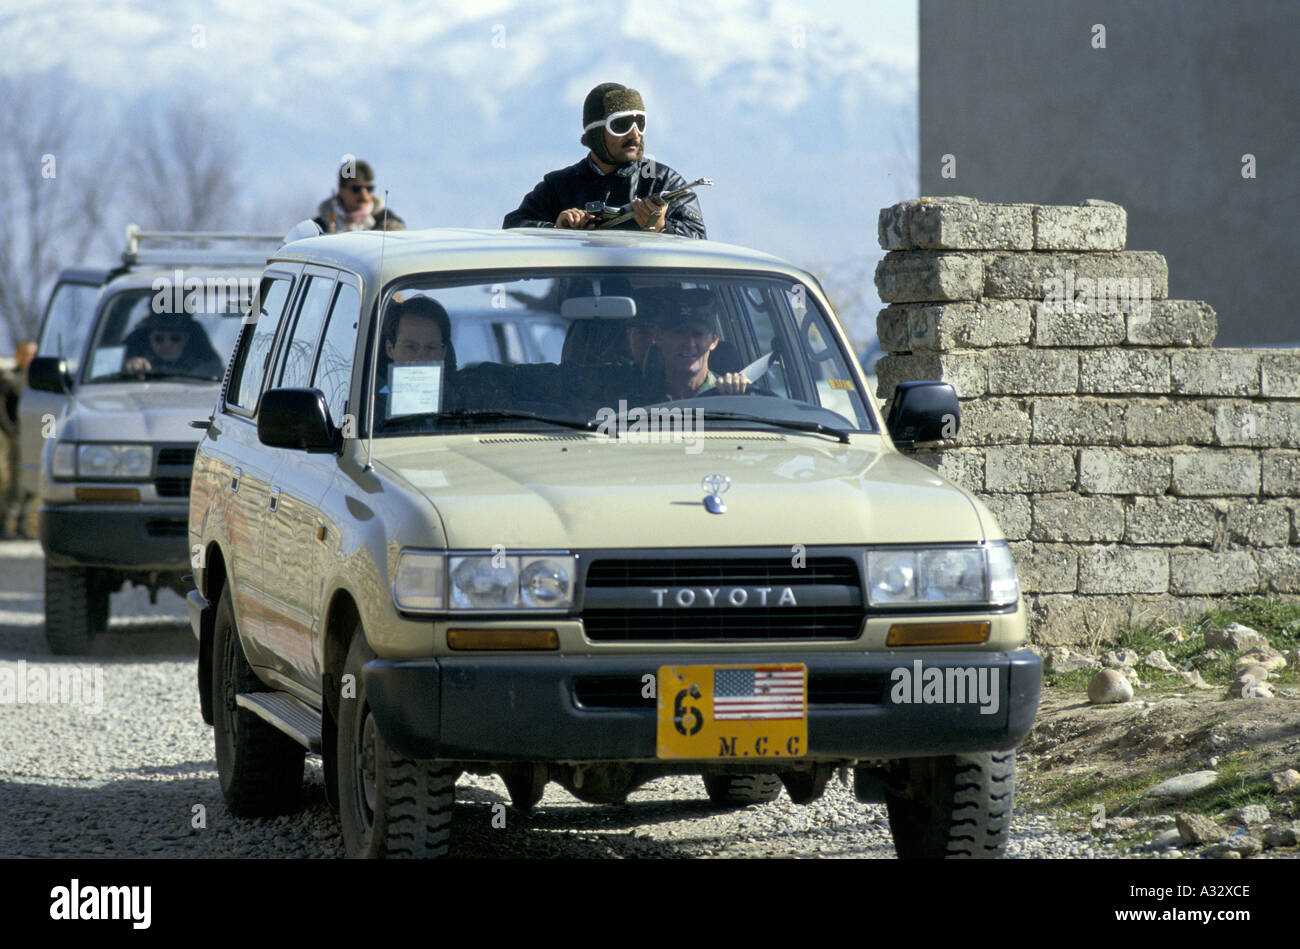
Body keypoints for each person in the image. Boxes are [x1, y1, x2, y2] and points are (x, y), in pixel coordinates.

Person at [503, 83, 706, 238]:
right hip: (581, 293)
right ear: (597, 132)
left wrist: (662, 227)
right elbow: (513, 228)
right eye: (622, 125)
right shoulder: (559, 186)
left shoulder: (664, 182)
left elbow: (699, 240)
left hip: (656, 294)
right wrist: (556, 229)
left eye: (640, 123)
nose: (634, 134)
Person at [643, 292, 750, 400]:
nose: (690, 344)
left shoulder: (731, 398)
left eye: (699, 334)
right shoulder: (637, 400)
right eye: (679, 333)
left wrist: (740, 400)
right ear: (658, 337)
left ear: (714, 340)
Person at [375, 295, 455, 421]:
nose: (420, 357)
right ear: (390, 349)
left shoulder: (463, 407)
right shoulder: (368, 406)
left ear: (443, 353)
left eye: (431, 347)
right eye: (410, 347)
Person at [313, 159, 406, 233]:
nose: (364, 195)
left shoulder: (387, 219)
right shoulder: (318, 226)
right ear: (341, 190)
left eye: (369, 189)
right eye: (356, 189)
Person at [2, 340, 36, 538]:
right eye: (26, 354)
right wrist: (11, 431)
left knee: (34, 482)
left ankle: (23, 523)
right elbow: (2, 409)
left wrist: (50, 433)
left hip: (39, 435)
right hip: (19, 435)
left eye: (33, 354)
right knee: (18, 482)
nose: (30, 358)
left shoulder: (40, 380)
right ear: (18, 355)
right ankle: (5, 523)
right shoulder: (8, 378)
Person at [122, 313, 224, 379]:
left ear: (186, 340)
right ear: (149, 339)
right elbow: (111, 372)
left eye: (175, 339)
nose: (167, 345)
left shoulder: (206, 373)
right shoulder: (133, 363)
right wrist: (130, 366)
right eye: (159, 339)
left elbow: (218, 374)